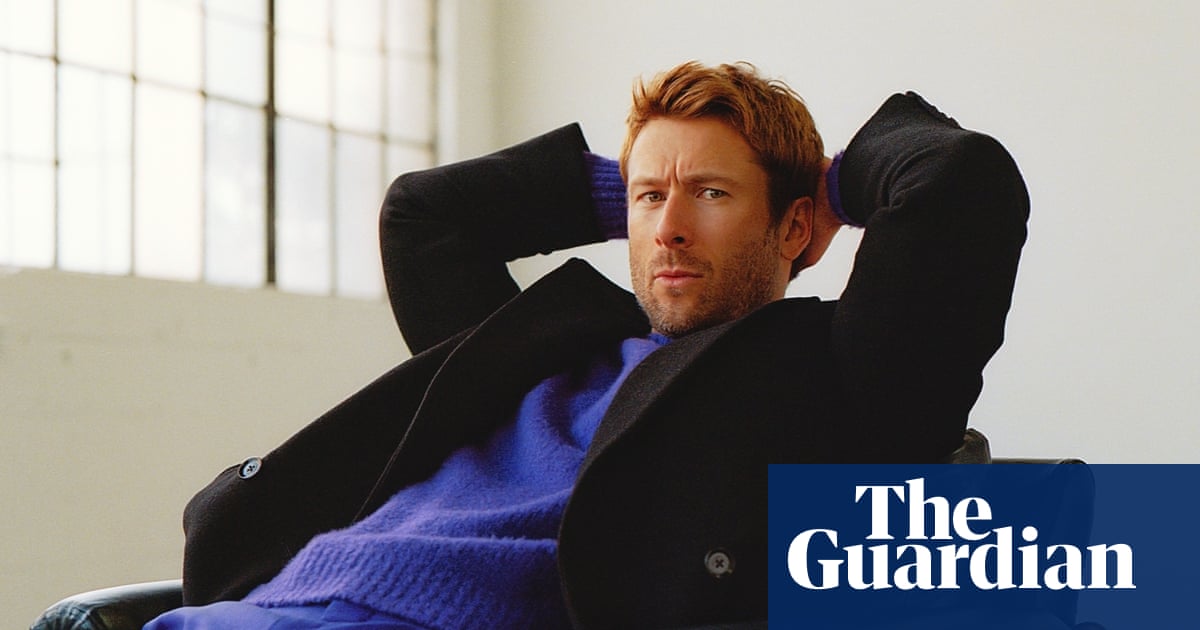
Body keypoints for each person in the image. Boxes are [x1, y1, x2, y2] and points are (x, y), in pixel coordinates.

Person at [149, 61, 1029, 629]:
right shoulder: (540, 346)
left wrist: (823, 187)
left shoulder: (830, 374)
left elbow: (960, 180)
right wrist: (653, 180)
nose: (669, 229)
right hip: (254, 603)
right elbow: (425, 215)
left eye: (711, 196)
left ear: (796, 227)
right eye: (648, 201)